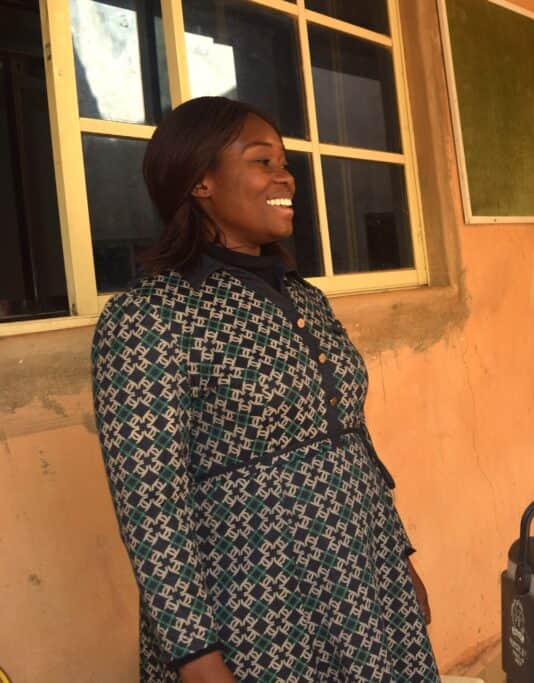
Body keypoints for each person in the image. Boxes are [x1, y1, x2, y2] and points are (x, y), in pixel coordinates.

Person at [92, 97, 440, 682]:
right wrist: (195, 655)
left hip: (361, 576)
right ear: (200, 181)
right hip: (256, 606)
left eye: (285, 162)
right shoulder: (149, 318)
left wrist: (398, 558)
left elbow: (352, 441)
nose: (286, 177)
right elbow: (151, 506)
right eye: (262, 162)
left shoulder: (304, 297)